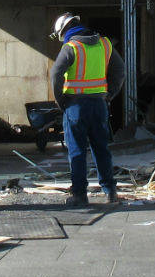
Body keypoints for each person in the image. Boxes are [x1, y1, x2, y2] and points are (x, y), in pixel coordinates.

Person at [48, 12, 123, 206]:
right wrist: (109, 94)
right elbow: (120, 70)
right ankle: (110, 192)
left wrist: (61, 101)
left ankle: (80, 195)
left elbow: (56, 73)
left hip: (75, 106)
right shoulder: (105, 44)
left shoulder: (71, 47)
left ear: (64, 31)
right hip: (99, 105)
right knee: (101, 149)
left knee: (77, 152)